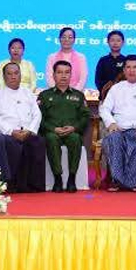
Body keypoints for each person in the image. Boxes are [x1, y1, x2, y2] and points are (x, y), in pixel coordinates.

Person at [99, 55, 136, 192]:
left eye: (135, 67)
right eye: (128, 67)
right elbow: (104, 109)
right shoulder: (116, 88)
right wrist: (111, 123)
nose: (131, 70)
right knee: (113, 139)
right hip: (120, 129)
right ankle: (117, 180)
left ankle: (134, 182)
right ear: (124, 70)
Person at [0, 62, 47, 193]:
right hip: (7, 133)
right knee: (11, 143)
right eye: (9, 74)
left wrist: (30, 130)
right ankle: (11, 185)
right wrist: (11, 131)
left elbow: (37, 114)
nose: (13, 76)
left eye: (16, 73)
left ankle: (33, 185)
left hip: (26, 131)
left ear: (20, 75)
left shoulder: (27, 92)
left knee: (38, 142)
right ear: (4, 76)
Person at [39, 60, 91, 192]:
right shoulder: (44, 95)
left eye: (67, 72)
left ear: (71, 75)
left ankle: (71, 179)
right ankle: (58, 178)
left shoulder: (78, 95)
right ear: (53, 75)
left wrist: (74, 128)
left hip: (72, 132)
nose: (63, 76)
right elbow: (39, 118)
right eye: (59, 72)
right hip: (52, 132)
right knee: (51, 138)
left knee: (75, 138)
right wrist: (53, 129)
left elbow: (85, 117)